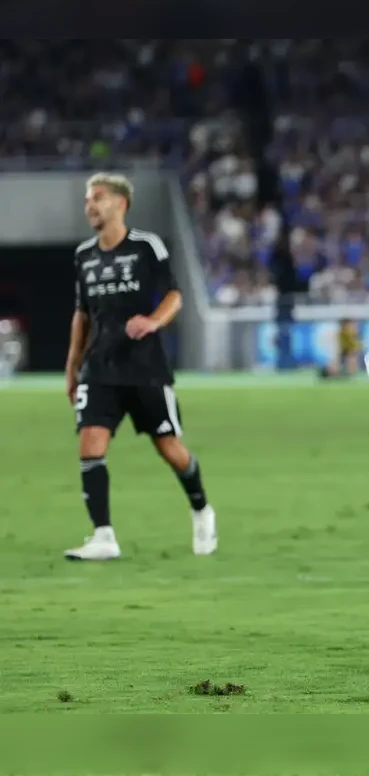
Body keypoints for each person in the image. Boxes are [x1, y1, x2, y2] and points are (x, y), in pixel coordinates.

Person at [65, 173, 217, 561]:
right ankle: (103, 536)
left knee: (169, 448)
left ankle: (201, 509)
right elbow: (82, 314)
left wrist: (152, 322)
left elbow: (174, 295)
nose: (90, 205)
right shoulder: (84, 255)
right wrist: (72, 366)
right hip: (99, 367)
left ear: (121, 203)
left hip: (144, 367)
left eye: (97, 198)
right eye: (87, 200)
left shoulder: (146, 246)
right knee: (90, 444)